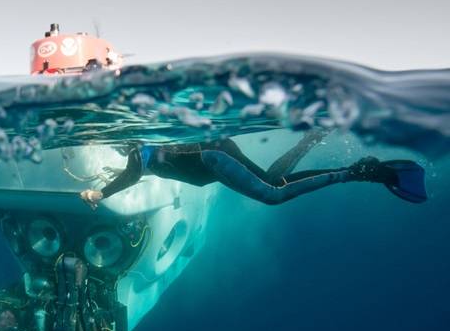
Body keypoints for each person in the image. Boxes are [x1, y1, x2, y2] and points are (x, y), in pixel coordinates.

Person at [79, 130, 427, 208]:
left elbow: (133, 173)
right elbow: (142, 170)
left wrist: (101, 193)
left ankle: (358, 172)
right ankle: (311, 139)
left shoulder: (140, 150)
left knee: (272, 194)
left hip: (213, 157)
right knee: (273, 181)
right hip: (215, 155)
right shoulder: (145, 152)